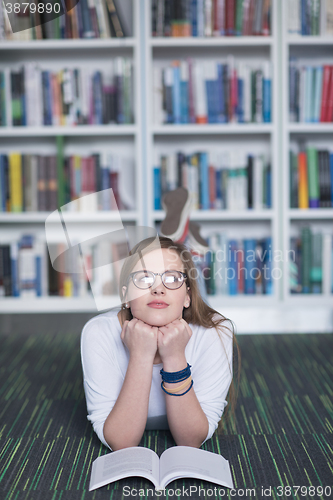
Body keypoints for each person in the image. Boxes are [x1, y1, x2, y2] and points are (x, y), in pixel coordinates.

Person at [81, 236, 239, 451]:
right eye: (144, 279)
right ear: (126, 295)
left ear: (187, 297)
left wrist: (174, 357)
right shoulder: (98, 332)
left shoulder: (216, 332)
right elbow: (121, 441)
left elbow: (191, 440)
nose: (158, 289)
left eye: (172, 279)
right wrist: (140, 356)